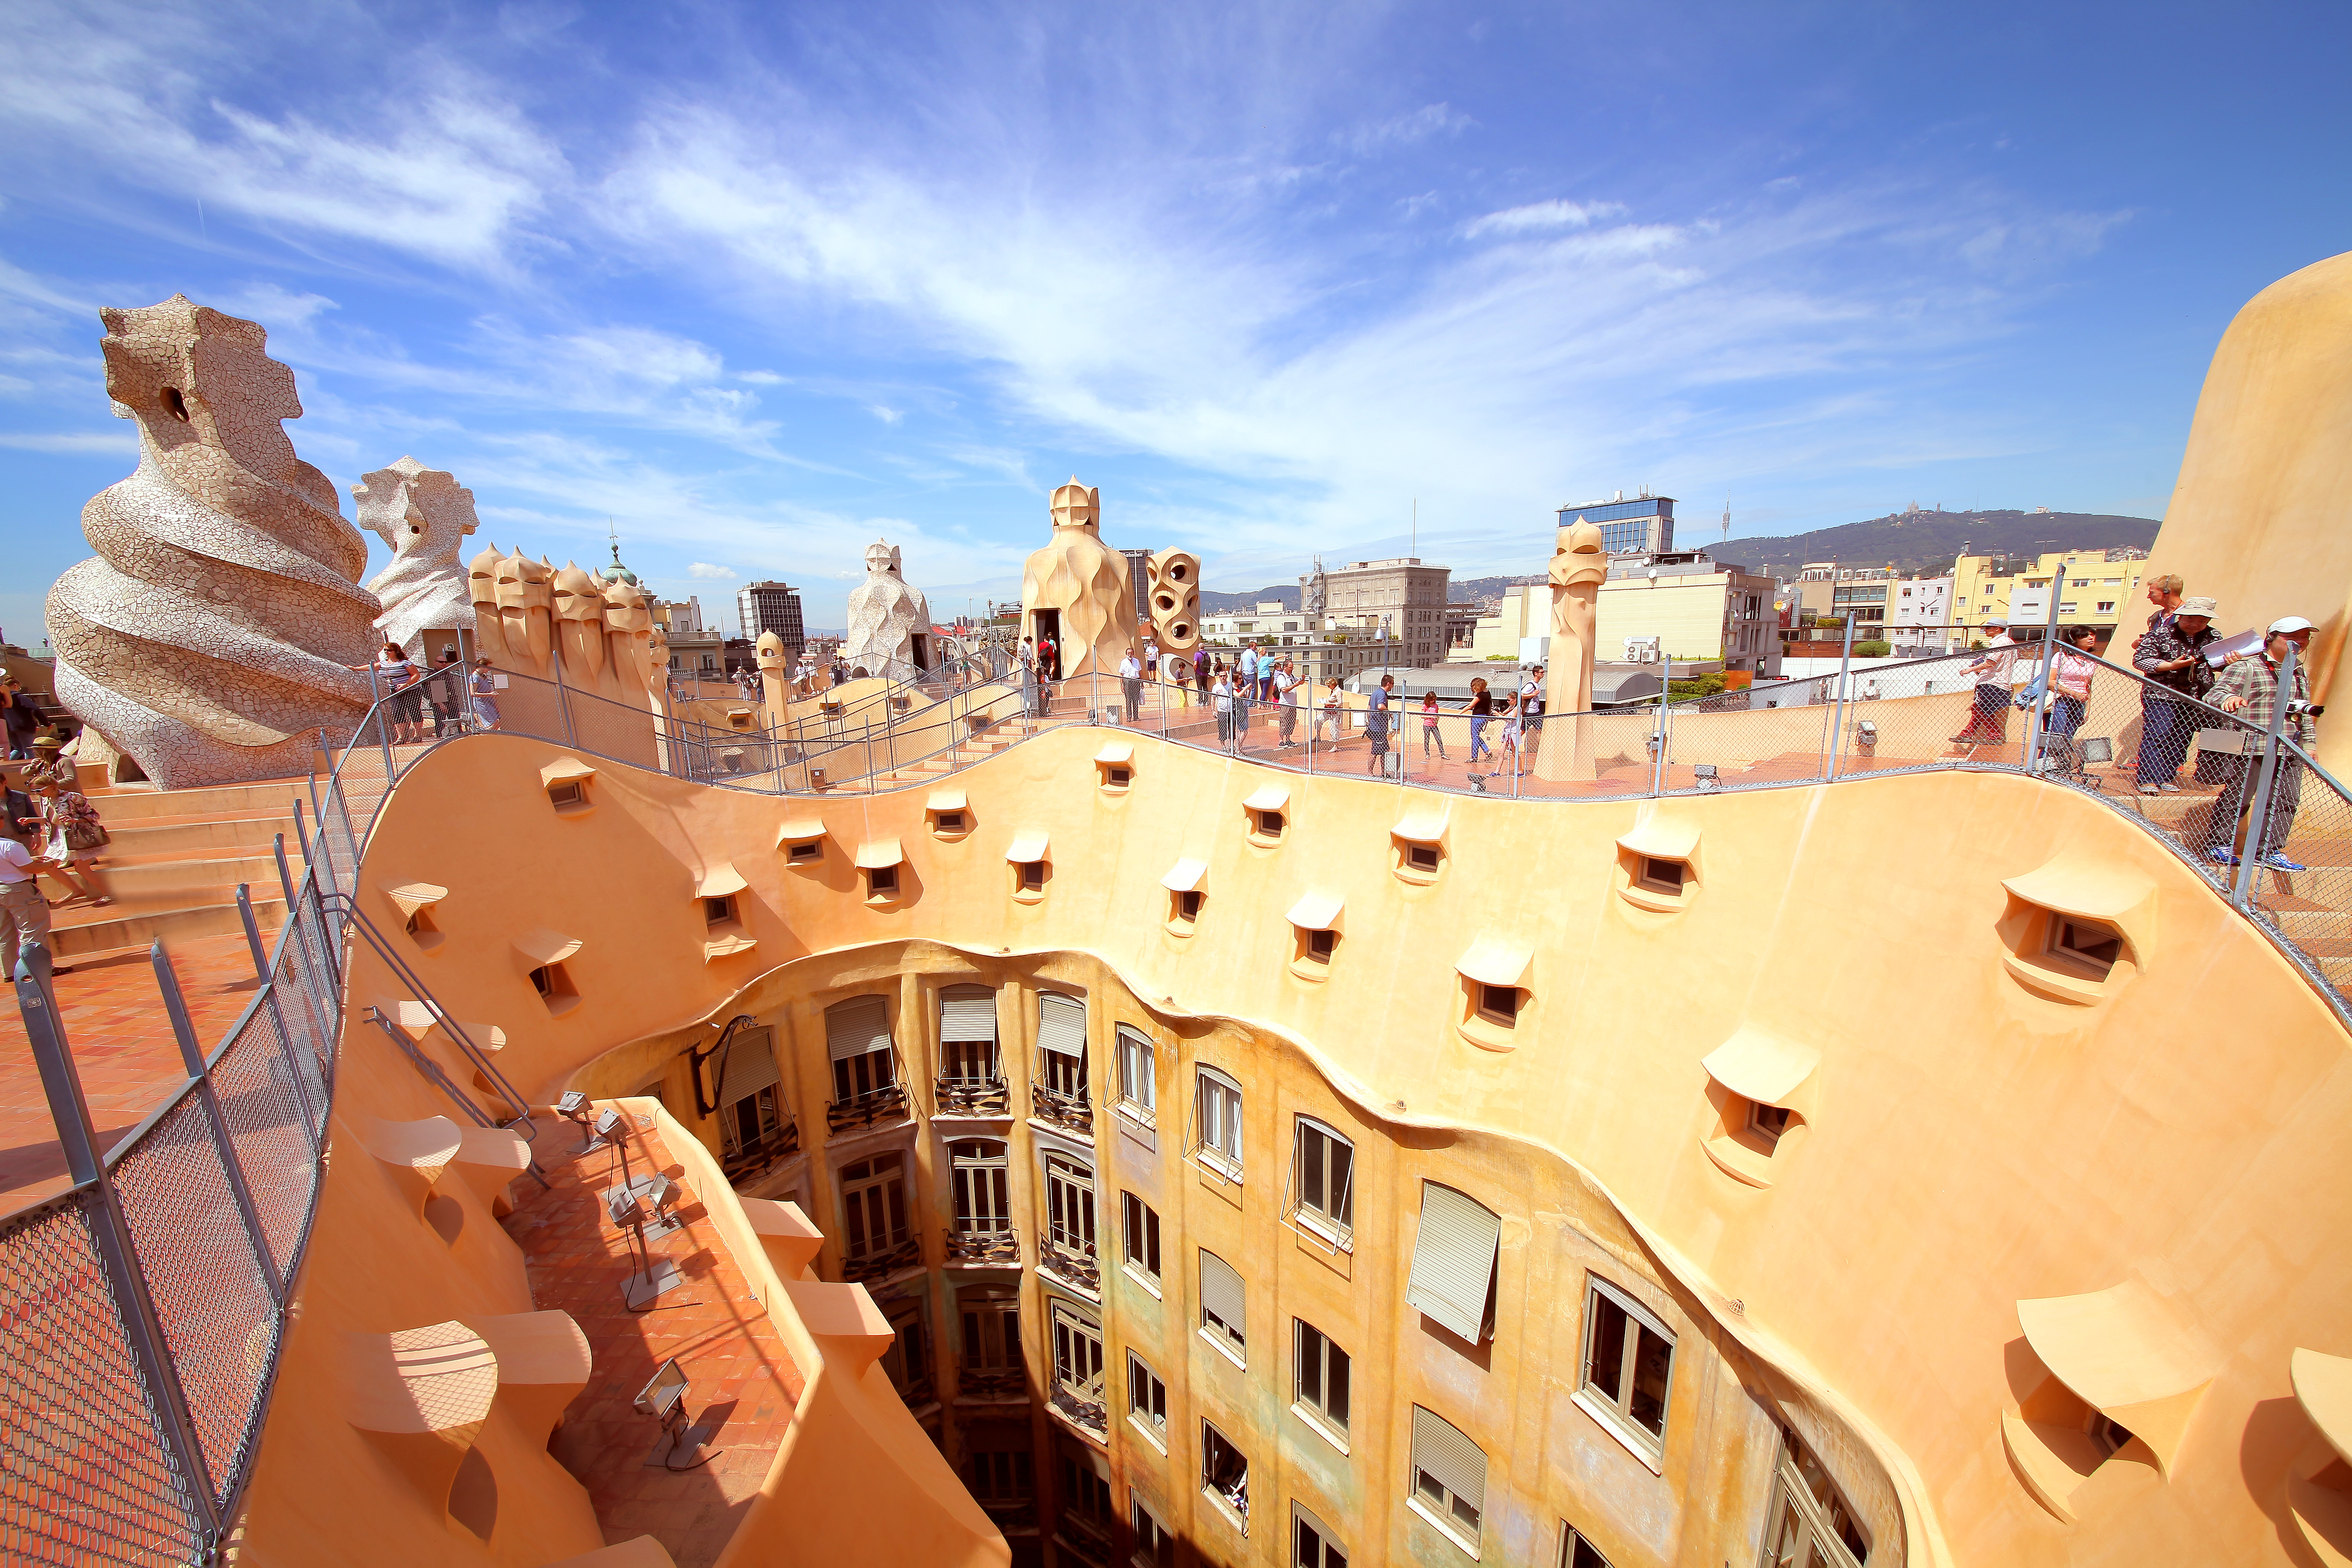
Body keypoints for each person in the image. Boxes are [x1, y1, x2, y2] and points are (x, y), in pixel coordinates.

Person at [2202, 616, 2319, 871]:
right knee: (2239, 796)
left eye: (2304, 638)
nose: (2299, 643)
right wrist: (2229, 699)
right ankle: (2219, 844)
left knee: (2286, 800)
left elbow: (2304, 711)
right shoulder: (2247, 667)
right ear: (2272, 638)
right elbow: (2214, 695)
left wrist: (2309, 744)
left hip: (2289, 746)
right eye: (2292, 638)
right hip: (2251, 745)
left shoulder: (2298, 670)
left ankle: (2268, 851)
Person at [2132, 596, 2218, 794]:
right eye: (2190, 619)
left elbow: (2217, 662)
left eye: (2202, 621)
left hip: (2195, 697)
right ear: (2181, 616)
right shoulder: (2160, 634)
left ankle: (2166, 777)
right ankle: (2148, 779)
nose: (2195, 624)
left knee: (2181, 737)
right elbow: (2140, 660)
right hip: (2162, 694)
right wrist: (2171, 666)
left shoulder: (2213, 636)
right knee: (2158, 734)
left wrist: (2230, 661)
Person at [2035, 627, 2101, 769]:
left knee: (2067, 738)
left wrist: (2087, 708)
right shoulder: (2061, 656)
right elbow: (2050, 681)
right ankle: (2043, 766)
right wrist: (2073, 693)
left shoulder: (2092, 660)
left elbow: (2088, 686)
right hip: (2060, 700)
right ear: (2073, 639)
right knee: (2055, 737)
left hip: (2079, 704)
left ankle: (2057, 767)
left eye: (2092, 635)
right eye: (2085, 636)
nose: (2091, 638)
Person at [349, 641, 425, 745]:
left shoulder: (405, 663)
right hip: (394, 692)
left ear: (396, 651)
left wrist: (406, 684)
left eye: (389, 650)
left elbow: (416, 675)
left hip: (411, 691)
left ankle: (418, 735)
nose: (387, 652)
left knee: (414, 711)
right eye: (385, 650)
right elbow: (371, 667)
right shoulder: (384, 663)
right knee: (397, 712)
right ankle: (401, 737)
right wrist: (356, 669)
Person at [1954, 619, 2015, 745]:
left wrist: (1970, 670)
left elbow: (1990, 663)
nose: (1985, 630)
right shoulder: (2010, 642)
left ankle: (1994, 735)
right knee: (1981, 709)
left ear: (1998, 629)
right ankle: (1967, 734)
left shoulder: (1999, 642)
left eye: (1988, 628)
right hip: (2001, 682)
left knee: (1981, 709)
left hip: (1991, 682)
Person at [1, 676, 39, 760]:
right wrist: (46, 723)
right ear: (16, 686)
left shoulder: (4, 695)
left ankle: (7, 764)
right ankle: (30, 766)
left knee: (19, 749)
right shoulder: (19, 697)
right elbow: (35, 709)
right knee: (29, 750)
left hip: (9, 727)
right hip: (22, 726)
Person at [1365, 675, 1394, 775]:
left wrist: (1370, 723)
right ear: (1388, 684)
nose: (1393, 686)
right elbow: (1380, 706)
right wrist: (1389, 712)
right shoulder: (1382, 694)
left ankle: (1384, 773)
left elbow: (1369, 709)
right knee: (1375, 752)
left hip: (1376, 728)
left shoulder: (1375, 693)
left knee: (1385, 751)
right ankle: (1370, 773)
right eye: (1393, 684)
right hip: (1379, 729)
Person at [1519, 665, 1545, 766]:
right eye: (1541, 672)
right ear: (1536, 673)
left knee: (1539, 730)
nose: (1543, 674)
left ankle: (1541, 749)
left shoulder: (1538, 685)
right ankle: (1512, 743)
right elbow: (1522, 695)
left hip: (1537, 712)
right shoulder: (1531, 685)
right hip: (1529, 712)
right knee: (1523, 730)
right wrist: (1533, 695)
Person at [468, 657, 503, 731]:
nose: (489, 670)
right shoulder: (475, 677)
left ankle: (487, 733)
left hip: (489, 702)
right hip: (482, 703)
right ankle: (485, 733)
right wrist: (490, 695)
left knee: (498, 721)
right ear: (482, 666)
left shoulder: (483, 676)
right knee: (494, 723)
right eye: (488, 667)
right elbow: (473, 693)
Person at [1467, 677, 1494, 765]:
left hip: (1477, 717)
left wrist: (1460, 713)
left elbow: (1470, 706)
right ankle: (1487, 751)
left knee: (1475, 737)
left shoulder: (1480, 695)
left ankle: (1474, 757)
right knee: (1476, 736)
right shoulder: (1488, 693)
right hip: (1485, 717)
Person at [1274, 660, 1299, 747]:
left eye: (1292, 668)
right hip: (1285, 704)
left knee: (1291, 723)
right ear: (1285, 668)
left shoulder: (1291, 676)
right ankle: (1281, 741)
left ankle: (1288, 740)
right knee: (1284, 722)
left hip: (1293, 704)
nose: (1292, 669)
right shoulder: (1282, 677)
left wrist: (1302, 679)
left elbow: (1300, 682)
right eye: (1290, 668)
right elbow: (1284, 690)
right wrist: (1294, 685)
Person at [1421, 688, 1449, 760]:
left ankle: (1443, 754)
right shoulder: (1425, 706)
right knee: (1427, 740)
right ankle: (1427, 754)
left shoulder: (1436, 706)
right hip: (1427, 725)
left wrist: (1437, 719)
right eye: (1431, 700)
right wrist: (1430, 716)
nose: (1433, 701)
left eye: (1434, 700)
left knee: (1439, 739)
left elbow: (1437, 714)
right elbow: (1422, 716)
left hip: (1434, 725)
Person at [1212, 669, 1235, 752]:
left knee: (1232, 729)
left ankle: (1232, 746)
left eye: (1224, 676)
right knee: (1222, 729)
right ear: (1219, 677)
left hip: (1231, 711)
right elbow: (1213, 699)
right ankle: (1224, 746)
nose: (1223, 678)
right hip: (1222, 711)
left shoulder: (1231, 685)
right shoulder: (1216, 687)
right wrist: (1213, 710)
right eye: (1221, 676)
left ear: (1227, 676)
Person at [1118, 648, 1143, 724]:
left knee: (1136, 700)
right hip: (1128, 682)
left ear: (1133, 653)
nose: (1130, 654)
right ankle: (1129, 717)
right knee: (1129, 700)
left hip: (1136, 682)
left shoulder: (1137, 661)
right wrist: (1122, 686)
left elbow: (1140, 672)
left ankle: (1136, 717)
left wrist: (1142, 683)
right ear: (1126, 654)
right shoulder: (1124, 662)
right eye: (1128, 653)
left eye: (1131, 653)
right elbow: (1121, 675)